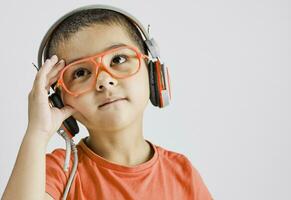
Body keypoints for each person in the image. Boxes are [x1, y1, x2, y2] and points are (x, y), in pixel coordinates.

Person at [2, 5, 213, 200]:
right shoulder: (59, 172)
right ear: (58, 100)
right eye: (81, 72)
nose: (104, 81)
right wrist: (37, 133)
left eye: (118, 59)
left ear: (153, 73)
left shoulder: (182, 173)